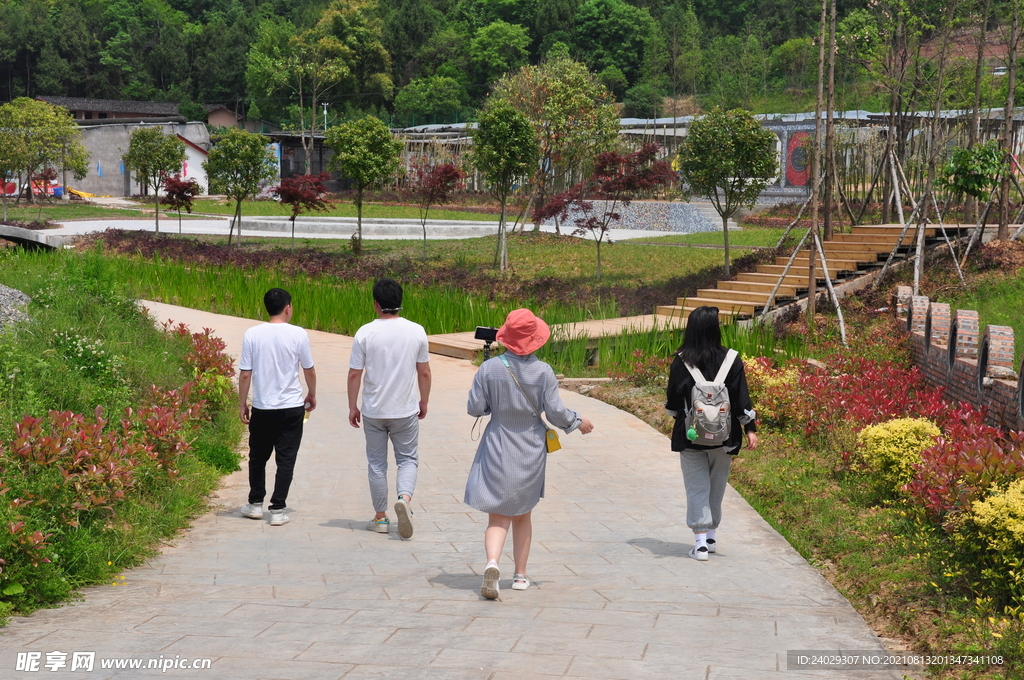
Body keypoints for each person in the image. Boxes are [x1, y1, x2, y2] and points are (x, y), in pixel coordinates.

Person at [465, 308, 594, 600]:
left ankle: (492, 563)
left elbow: (475, 408)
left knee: (497, 517)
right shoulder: (543, 371)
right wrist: (578, 421)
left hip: (498, 440)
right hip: (530, 446)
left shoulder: (489, 369)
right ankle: (521, 576)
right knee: (522, 514)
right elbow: (555, 412)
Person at [665, 305, 757, 561]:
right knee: (716, 485)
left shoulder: (681, 359)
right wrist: (750, 429)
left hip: (691, 435)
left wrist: (680, 415)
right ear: (715, 328)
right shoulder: (731, 359)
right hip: (725, 437)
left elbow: (673, 402)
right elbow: (742, 398)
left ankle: (701, 543)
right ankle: (712, 536)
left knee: (696, 488)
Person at [348, 278, 431, 540]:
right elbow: (425, 372)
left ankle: (380, 517)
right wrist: (424, 401)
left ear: (376, 304)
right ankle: (404, 499)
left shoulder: (364, 332)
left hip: (373, 410)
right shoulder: (416, 331)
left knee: (376, 463)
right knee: (407, 459)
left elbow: (354, 374)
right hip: (405, 410)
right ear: (400, 302)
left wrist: (353, 406)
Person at [238, 288, 317, 527]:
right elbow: (309, 369)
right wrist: (312, 393)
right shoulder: (298, 334)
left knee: (258, 457)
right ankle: (279, 509)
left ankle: (254, 504)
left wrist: (242, 403)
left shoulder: (252, 333)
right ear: (287, 308)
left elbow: (245, 374)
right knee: (286, 459)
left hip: (263, 407)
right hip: (292, 407)